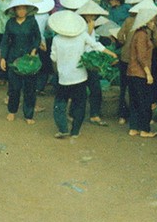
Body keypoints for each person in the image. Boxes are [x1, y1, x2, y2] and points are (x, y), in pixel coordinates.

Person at [49, 10, 114, 138]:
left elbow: (53, 58)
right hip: (80, 76)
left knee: (60, 104)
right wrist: (111, 53)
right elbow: (96, 45)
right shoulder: (82, 35)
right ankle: (75, 131)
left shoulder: (56, 39)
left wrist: (58, 71)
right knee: (80, 104)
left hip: (64, 78)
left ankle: (63, 129)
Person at [0, 0, 41, 123]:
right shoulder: (10, 23)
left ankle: (28, 115)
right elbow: (5, 42)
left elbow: (38, 38)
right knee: (14, 88)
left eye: (24, 9)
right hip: (14, 58)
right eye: (19, 9)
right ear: (15, 10)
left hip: (29, 59)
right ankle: (12, 111)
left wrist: (34, 50)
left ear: (27, 10)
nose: (21, 11)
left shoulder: (32, 22)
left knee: (29, 88)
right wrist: (3, 58)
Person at [127, 7, 157, 138]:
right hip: (140, 72)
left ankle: (134, 128)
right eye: (152, 21)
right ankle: (144, 130)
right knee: (144, 102)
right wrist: (148, 73)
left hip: (133, 72)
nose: (154, 22)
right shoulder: (142, 35)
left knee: (135, 101)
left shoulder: (140, 34)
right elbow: (141, 57)